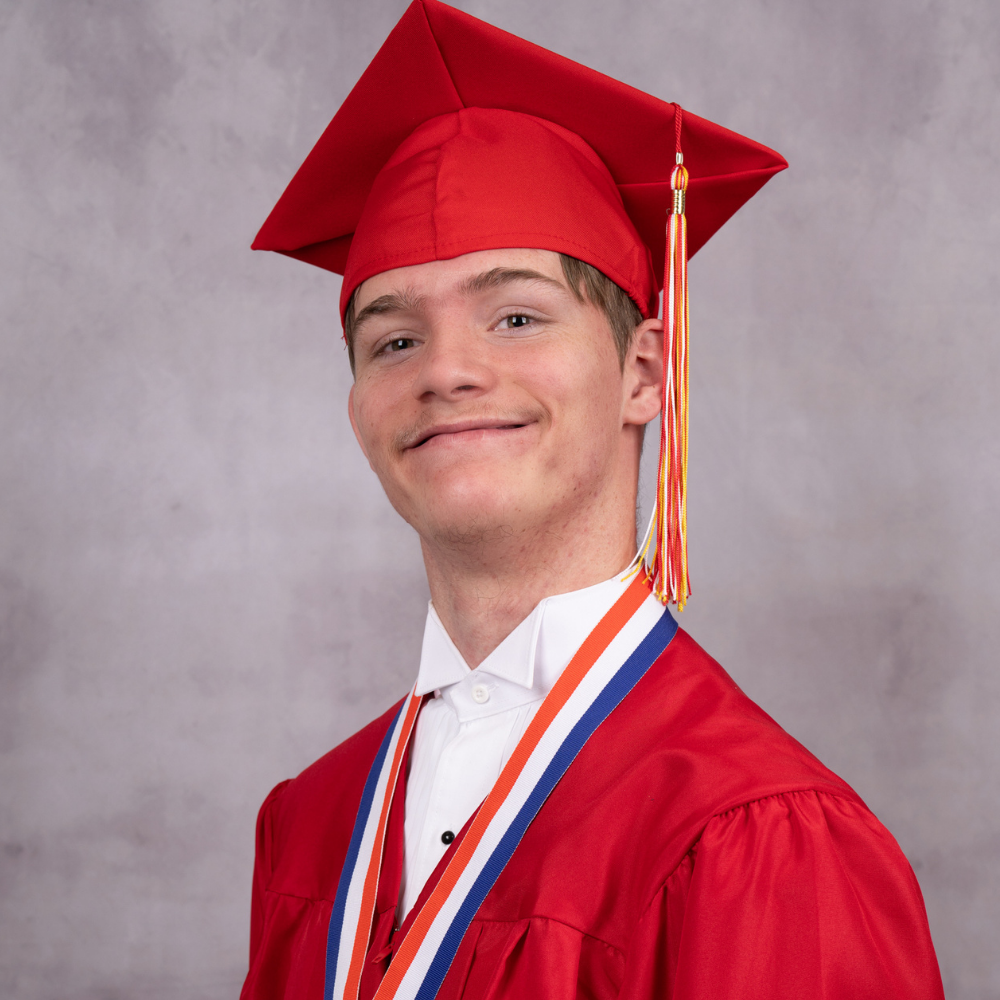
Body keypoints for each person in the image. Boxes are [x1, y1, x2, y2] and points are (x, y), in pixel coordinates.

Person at [240, 2, 944, 998]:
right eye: (393, 339)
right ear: (357, 406)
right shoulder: (310, 824)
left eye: (516, 315)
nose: (447, 370)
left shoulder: (757, 837)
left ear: (643, 375)